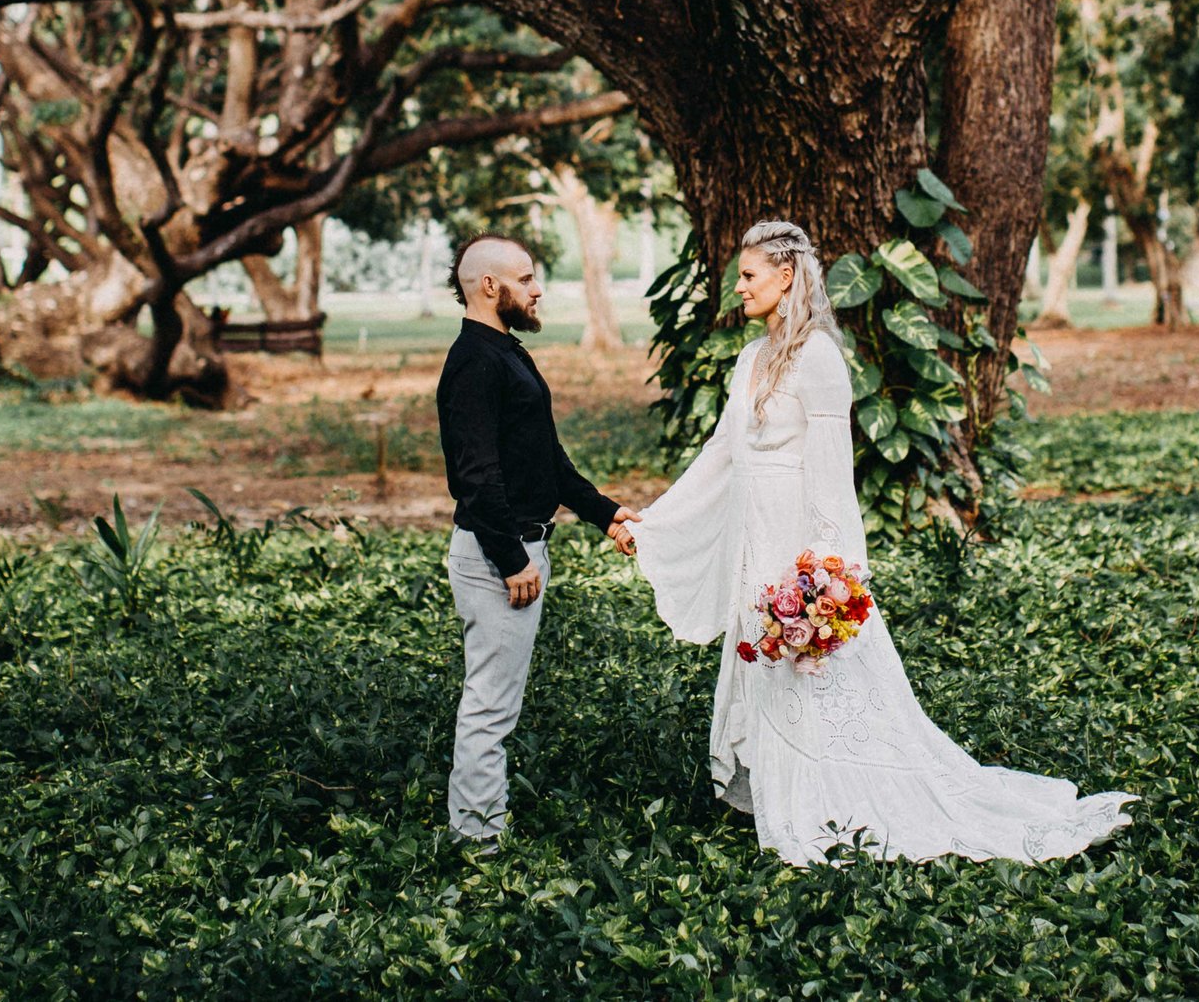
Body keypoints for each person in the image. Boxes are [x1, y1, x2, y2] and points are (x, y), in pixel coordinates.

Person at [631, 219, 1134, 866]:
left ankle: (848, 793)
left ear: (786, 276)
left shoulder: (817, 357)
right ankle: (790, 794)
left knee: (828, 679)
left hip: (801, 551)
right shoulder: (750, 358)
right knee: (775, 676)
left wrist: (829, 579)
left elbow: (832, 477)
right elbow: (721, 453)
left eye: (749, 274)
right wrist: (654, 518)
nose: (739, 286)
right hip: (756, 545)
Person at [438, 233, 640, 851]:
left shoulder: (507, 353)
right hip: (501, 558)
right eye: (525, 278)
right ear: (490, 287)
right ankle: (476, 844)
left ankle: (480, 831)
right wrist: (512, 558)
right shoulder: (474, 361)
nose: (537, 287)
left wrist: (605, 514)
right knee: (490, 708)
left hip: (522, 550)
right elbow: (476, 476)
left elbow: (543, 459)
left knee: (497, 703)